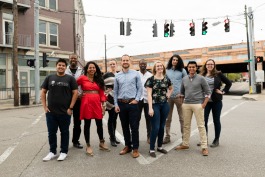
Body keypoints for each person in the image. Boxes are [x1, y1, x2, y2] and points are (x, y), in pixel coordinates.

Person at [41, 58, 78, 161]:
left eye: (63, 65)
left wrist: (70, 107)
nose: (61, 67)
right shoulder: (49, 77)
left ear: (65, 67)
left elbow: (75, 93)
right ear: (56, 66)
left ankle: (63, 151)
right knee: (51, 133)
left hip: (65, 112)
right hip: (51, 112)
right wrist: (45, 107)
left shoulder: (70, 79)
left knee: (64, 132)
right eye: (59, 65)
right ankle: (52, 151)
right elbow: (43, 92)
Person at [175, 61, 211, 156]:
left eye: (193, 67)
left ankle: (204, 147)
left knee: (201, 125)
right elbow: (182, 92)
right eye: (190, 67)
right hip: (186, 104)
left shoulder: (201, 78)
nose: (191, 69)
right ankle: (185, 144)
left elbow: (208, 92)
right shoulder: (184, 79)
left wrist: (204, 104)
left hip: (198, 104)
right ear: (187, 68)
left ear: (196, 68)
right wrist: (182, 103)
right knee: (186, 125)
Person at [77, 61, 109, 156]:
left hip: (96, 104)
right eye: (90, 67)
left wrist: (103, 105)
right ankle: (88, 145)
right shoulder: (82, 78)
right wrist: (78, 95)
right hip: (86, 104)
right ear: (86, 69)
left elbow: (102, 93)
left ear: (96, 69)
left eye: (93, 67)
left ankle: (101, 142)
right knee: (87, 124)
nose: (92, 69)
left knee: (99, 124)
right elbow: (74, 86)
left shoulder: (99, 79)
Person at [114, 54, 143, 158]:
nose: (125, 62)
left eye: (127, 60)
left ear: (129, 62)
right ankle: (127, 146)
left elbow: (140, 88)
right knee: (125, 127)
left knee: (134, 127)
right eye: (123, 60)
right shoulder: (117, 75)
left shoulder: (136, 74)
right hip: (121, 104)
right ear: (121, 62)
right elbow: (115, 91)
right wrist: (116, 104)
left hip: (132, 104)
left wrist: (136, 99)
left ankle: (135, 148)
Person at [199, 59, 232, 147]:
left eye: (211, 64)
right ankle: (204, 139)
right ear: (205, 65)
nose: (210, 65)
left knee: (216, 120)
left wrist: (223, 91)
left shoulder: (218, 74)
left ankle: (216, 140)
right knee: (203, 121)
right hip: (205, 102)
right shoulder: (201, 75)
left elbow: (229, 83)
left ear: (214, 65)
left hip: (216, 101)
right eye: (208, 64)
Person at [145, 61, 173, 158]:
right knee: (155, 127)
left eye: (161, 66)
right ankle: (151, 149)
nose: (160, 67)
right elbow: (148, 94)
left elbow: (171, 88)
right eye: (158, 66)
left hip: (165, 105)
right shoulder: (151, 80)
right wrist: (150, 108)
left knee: (162, 127)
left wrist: (168, 95)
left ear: (163, 68)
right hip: (155, 105)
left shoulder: (166, 79)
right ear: (155, 68)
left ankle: (160, 147)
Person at [163, 54, 187, 144]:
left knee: (182, 118)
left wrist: (183, 94)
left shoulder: (182, 71)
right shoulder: (166, 71)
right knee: (167, 118)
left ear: (179, 61)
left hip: (179, 97)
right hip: (169, 97)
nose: (175, 61)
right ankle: (167, 136)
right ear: (171, 61)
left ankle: (184, 137)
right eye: (174, 60)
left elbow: (186, 83)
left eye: (177, 60)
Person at [65, 54, 83, 149]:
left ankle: (75, 141)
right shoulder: (65, 69)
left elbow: (84, 83)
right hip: (67, 99)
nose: (73, 59)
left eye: (75, 58)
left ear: (77, 60)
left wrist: (82, 93)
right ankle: (65, 142)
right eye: (71, 58)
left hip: (78, 100)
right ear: (69, 59)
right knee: (65, 122)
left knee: (77, 122)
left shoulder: (82, 70)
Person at [103, 59, 120, 147]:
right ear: (109, 65)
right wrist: (106, 92)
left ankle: (113, 137)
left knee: (115, 119)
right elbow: (102, 86)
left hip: (118, 99)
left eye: (114, 64)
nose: (113, 65)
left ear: (116, 65)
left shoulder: (119, 74)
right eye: (111, 64)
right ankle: (112, 138)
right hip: (110, 99)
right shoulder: (106, 75)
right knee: (111, 118)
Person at [137, 59, 152, 144]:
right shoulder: (136, 74)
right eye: (141, 63)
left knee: (149, 120)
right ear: (139, 65)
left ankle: (149, 137)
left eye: (144, 64)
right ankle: (135, 137)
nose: (143, 65)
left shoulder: (150, 75)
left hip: (147, 99)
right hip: (138, 99)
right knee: (136, 119)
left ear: (146, 65)